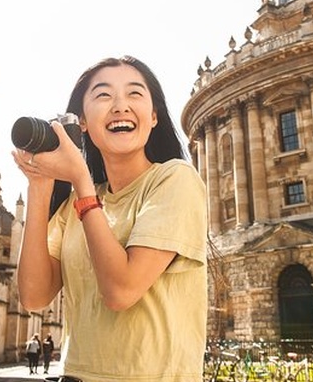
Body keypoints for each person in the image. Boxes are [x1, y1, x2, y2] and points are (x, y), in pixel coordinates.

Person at [14, 56, 208, 381]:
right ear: (83, 122)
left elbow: (120, 291)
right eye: (103, 95)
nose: (120, 106)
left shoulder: (176, 179)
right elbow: (34, 296)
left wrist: (80, 179)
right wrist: (40, 186)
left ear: (154, 116)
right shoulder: (76, 202)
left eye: (134, 94)